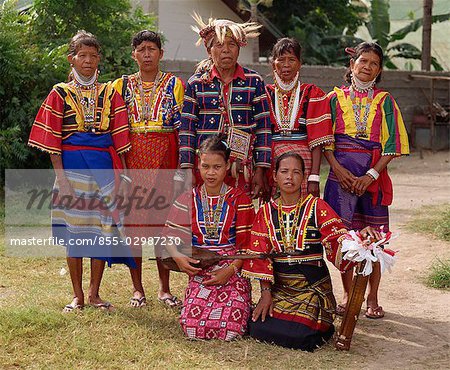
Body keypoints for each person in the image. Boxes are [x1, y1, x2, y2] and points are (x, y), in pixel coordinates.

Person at [28, 31, 135, 312]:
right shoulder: (59, 92)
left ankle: (94, 293)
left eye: (93, 55)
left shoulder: (110, 93)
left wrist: (122, 178)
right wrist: (60, 178)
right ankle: (77, 295)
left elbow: (120, 140)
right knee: (74, 231)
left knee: (100, 230)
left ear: (99, 58)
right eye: (82, 55)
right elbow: (52, 141)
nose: (88, 61)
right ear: (71, 58)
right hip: (72, 169)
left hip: (103, 168)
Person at [241, 152, 381, 351]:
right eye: (284, 171)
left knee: (300, 336)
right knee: (257, 328)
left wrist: (360, 240)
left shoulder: (317, 207)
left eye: (296, 172)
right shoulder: (264, 212)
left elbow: (339, 239)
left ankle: (320, 324)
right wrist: (265, 293)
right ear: (274, 176)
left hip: (312, 290)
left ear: (304, 177)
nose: (290, 177)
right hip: (281, 291)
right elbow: (260, 256)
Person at [323, 42, 409, 319]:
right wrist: (338, 169)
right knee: (344, 238)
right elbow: (325, 142)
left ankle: (372, 295)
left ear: (379, 70)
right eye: (363, 61)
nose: (367, 66)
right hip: (340, 179)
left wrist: (371, 175)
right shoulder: (333, 99)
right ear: (352, 65)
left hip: (372, 179)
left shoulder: (385, 101)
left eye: (374, 63)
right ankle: (349, 295)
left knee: (373, 239)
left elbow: (393, 143)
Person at [112, 30, 185, 308]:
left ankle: (164, 289)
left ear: (161, 54)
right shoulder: (121, 85)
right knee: (133, 226)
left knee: (162, 224)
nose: (146, 54)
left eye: (151, 49)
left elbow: (181, 129)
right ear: (133, 54)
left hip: (165, 157)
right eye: (141, 49)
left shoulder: (175, 84)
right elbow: (114, 125)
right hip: (133, 160)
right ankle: (137, 288)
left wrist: (179, 168)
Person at [163, 135, 255, 340]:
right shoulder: (188, 198)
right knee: (192, 327)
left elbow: (247, 244)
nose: (211, 173)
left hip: (232, 269)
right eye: (205, 166)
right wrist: (178, 258)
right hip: (201, 268)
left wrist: (230, 270)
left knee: (230, 330)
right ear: (198, 165)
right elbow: (168, 236)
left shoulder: (240, 199)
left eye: (217, 167)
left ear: (227, 166)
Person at [178, 14, 271, 198]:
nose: (226, 50)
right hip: (206, 168)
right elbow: (187, 129)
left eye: (232, 44)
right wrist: (187, 168)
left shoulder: (254, 81)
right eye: (219, 45)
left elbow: (264, 128)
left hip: (241, 169)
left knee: (240, 215)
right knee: (207, 214)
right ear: (209, 50)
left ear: (239, 49)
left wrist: (260, 170)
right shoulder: (196, 83)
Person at [266, 38, 334, 198]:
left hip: (304, 165)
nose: (286, 65)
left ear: (300, 63)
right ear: (273, 64)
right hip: (273, 165)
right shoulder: (264, 94)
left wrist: (314, 176)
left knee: (303, 214)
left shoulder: (312, 93)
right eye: (281, 60)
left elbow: (317, 141)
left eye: (292, 60)